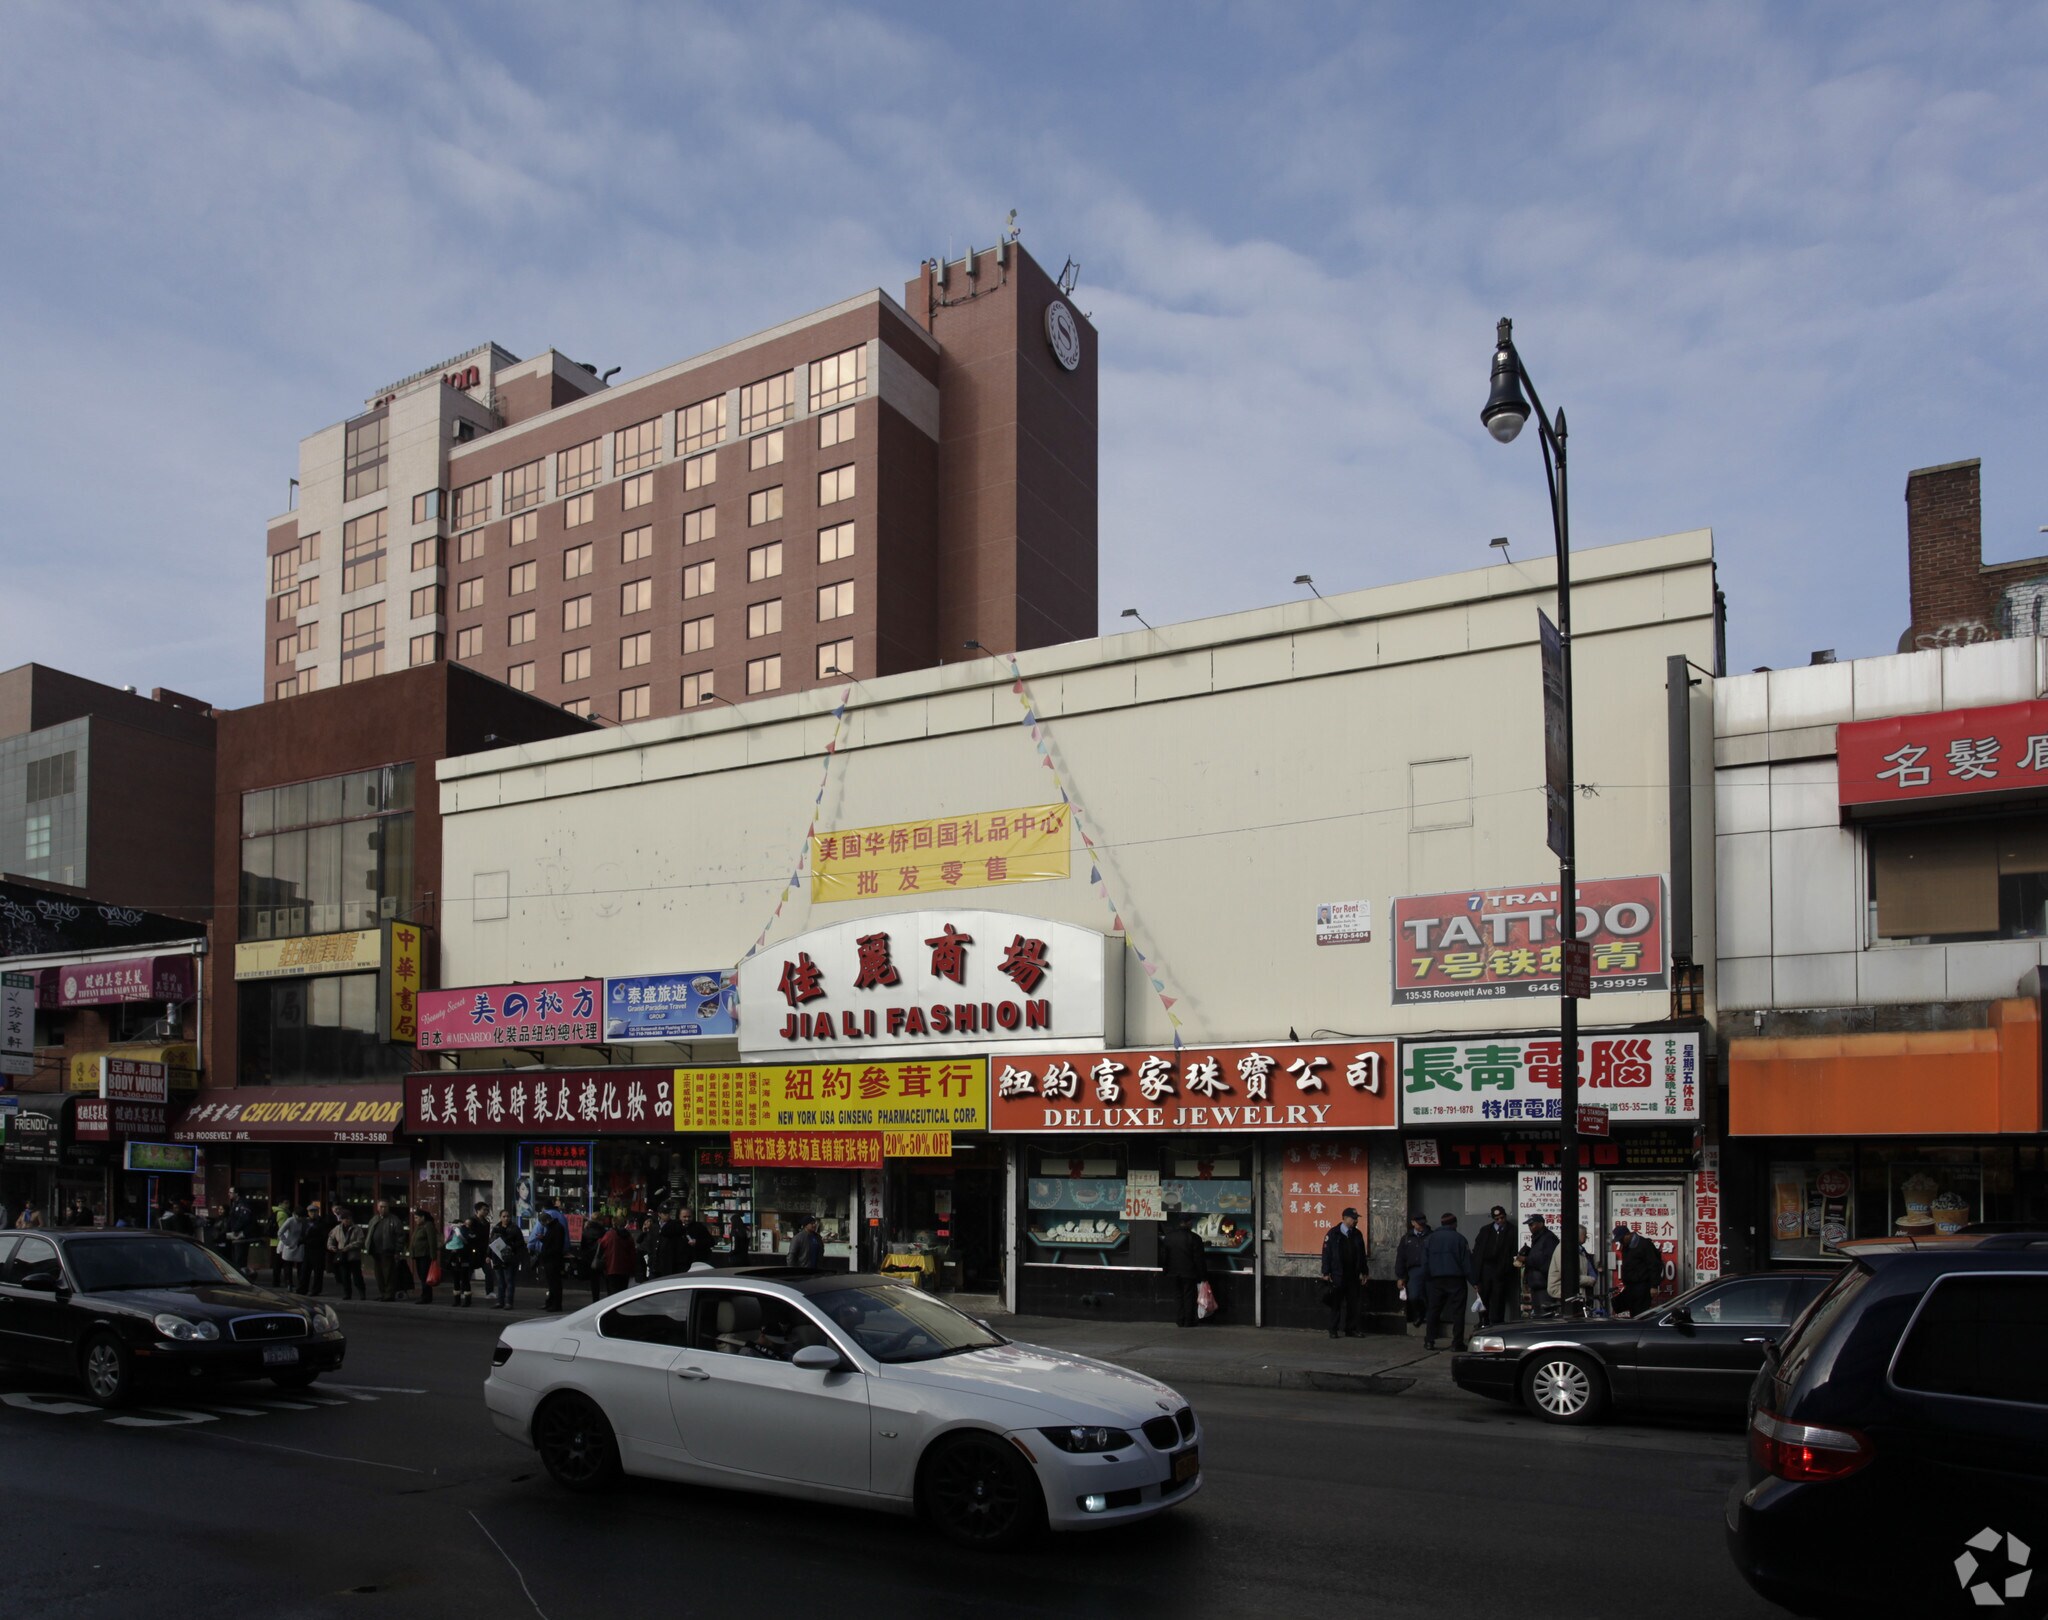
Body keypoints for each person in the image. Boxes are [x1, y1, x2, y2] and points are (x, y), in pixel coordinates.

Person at [1422, 1212, 1477, 1352]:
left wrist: (1428, 1277)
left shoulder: (1430, 1239)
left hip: (1436, 1280)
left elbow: (1424, 1261)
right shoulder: (1459, 1239)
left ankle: (1429, 1340)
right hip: (1456, 1280)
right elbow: (1466, 1263)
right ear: (1454, 1224)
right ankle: (1457, 1342)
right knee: (1458, 1312)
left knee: (1433, 1311)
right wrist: (1475, 1282)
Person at [1319, 1206, 1369, 1339]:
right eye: (1353, 1219)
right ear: (1345, 1219)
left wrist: (1364, 1271)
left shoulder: (1357, 1234)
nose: (1355, 1221)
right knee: (1336, 1303)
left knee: (1353, 1303)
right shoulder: (1333, 1234)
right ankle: (1333, 1329)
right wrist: (1326, 1272)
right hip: (1338, 1274)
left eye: (1356, 1219)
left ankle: (1350, 1329)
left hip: (1352, 1274)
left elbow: (1362, 1255)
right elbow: (1326, 1254)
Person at [1159, 1211, 1209, 1328]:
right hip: (1189, 1272)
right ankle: (1188, 1320)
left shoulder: (1169, 1237)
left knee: (1178, 1296)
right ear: (1189, 1222)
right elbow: (1198, 1259)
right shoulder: (1195, 1238)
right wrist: (1203, 1276)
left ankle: (1179, 1319)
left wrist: (1165, 1270)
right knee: (1189, 1296)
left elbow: (1164, 1256)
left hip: (1173, 1272)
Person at [1472, 1204, 1518, 1327]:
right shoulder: (1485, 1230)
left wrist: (1508, 1267)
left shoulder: (1512, 1230)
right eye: (1497, 1219)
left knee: (1498, 1297)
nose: (1500, 1221)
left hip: (1501, 1268)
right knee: (1484, 1296)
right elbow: (1477, 1250)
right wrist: (1476, 1274)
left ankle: (1497, 1322)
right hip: (1486, 1268)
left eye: (1502, 1218)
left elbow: (1513, 1250)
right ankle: (1483, 1320)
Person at [1613, 1223, 1662, 1317]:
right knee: (1620, 1306)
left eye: (1621, 1239)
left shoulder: (1644, 1244)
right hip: (1630, 1286)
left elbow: (1654, 1265)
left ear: (1628, 1235)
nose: (1620, 1242)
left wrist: (1654, 1286)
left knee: (1640, 1314)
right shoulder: (1626, 1246)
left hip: (1642, 1286)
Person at [1548, 1223, 1597, 1313]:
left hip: (1576, 1292)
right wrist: (1590, 1279)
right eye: (1585, 1235)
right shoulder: (1564, 1249)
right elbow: (1568, 1276)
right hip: (1564, 1293)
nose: (1586, 1238)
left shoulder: (1578, 1249)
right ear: (1578, 1235)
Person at [1519, 1214, 1561, 1317]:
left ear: (1541, 1224)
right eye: (1529, 1225)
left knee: (1545, 1315)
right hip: (1536, 1284)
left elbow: (1547, 1261)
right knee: (1538, 1315)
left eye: (1532, 1224)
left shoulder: (1549, 1238)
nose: (1530, 1227)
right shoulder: (1538, 1238)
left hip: (1544, 1284)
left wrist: (1527, 1259)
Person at [1395, 1213, 1431, 1331]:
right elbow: (1401, 1258)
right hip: (1414, 1270)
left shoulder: (1431, 1236)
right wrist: (1400, 1276)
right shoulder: (1406, 1238)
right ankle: (1420, 1313)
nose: (1421, 1226)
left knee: (1430, 1297)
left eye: (1423, 1224)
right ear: (1413, 1223)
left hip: (1430, 1270)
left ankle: (1430, 1320)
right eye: (1419, 1224)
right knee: (1414, 1296)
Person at [367, 1199, 406, 1301]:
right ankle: (383, 1293)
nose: (383, 1209)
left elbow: (400, 1236)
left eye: (385, 1207)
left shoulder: (394, 1220)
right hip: (375, 1251)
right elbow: (369, 1234)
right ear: (377, 1208)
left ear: (388, 1208)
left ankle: (389, 1295)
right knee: (378, 1274)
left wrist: (398, 1251)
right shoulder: (374, 1219)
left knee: (388, 1274)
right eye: (381, 1207)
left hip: (388, 1251)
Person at [328, 1207, 366, 1300]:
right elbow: (330, 1238)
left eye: (349, 1218)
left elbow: (360, 1241)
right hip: (342, 1256)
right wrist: (331, 1247)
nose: (347, 1220)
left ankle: (362, 1293)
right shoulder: (337, 1228)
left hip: (354, 1257)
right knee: (345, 1277)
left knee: (357, 1277)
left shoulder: (357, 1229)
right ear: (342, 1219)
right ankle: (347, 1294)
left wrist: (349, 1247)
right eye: (345, 1219)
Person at [536, 1199, 568, 1311]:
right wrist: (543, 1239)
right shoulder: (553, 1228)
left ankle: (556, 1305)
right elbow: (552, 1242)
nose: (543, 1226)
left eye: (543, 1223)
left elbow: (556, 1246)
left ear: (546, 1221)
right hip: (550, 1260)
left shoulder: (557, 1228)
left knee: (555, 1284)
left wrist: (546, 1251)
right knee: (551, 1284)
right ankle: (550, 1302)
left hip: (553, 1260)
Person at [300, 1201, 334, 1296]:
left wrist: (311, 1240)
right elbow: (303, 1234)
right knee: (305, 1270)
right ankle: (303, 1288)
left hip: (318, 1250)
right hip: (307, 1249)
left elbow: (323, 1236)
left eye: (314, 1211)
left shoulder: (322, 1222)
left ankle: (316, 1290)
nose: (313, 1213)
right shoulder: (305, 1222)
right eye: (311, 1212)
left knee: (318, 1272)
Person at [443, 1214, 478, 1307]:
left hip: (464, 1259)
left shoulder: (466, 1232)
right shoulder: (451, 1233)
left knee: (465, 1280)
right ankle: (457, 1300)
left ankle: (467, 1300)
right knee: (456, 1280)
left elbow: (470, 1242)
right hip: (455, 1259)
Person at [599, 1215, 638, 1297]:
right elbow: (633, 1254)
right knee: (622, 1293)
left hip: (611, 1268)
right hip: (625, 1269)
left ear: (614, 1223)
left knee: (612, 1293)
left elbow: (602, 1245)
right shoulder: (629, 1236)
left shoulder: (610, 1235)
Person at [490, 1208, 521, 1309]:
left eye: (508, 1216)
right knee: (500, 1281)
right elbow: (491, 1242)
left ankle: (509, 1302)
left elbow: (520, 1243)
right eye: (504, 1216)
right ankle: (500, 1301)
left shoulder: (514, 1228)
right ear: (500, 1217)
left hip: (510, 1258)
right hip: (497, 1258)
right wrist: (488, 1255)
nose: (506, 1218)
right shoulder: (496, 1228)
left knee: (509, 1280)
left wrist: (511, 1247)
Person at [408, 1208, 439, 1305]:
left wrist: (433, 1256)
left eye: (417, 1217)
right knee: (422, 1276)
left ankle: (426, 1297)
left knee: (425, 1277)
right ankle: (425, 1295)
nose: (415, 1220)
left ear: (423, 1217)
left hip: (425, 1255)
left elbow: (432, 1241)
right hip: (418, 1255)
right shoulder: (419, 1226)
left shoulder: (428, 1226)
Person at [580, 1213, 609, 1304]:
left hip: (590, 1258)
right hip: (601, 1257)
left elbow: (583, 1246)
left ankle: (595, 1300)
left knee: (594, 1281)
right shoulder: (603, 1231)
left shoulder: (586, 1230)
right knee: (607, 1279)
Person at [275, 1205, 308, 1287]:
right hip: (289, 1245)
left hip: (299, 1245)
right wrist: (287, 1242)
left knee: (300, 1265)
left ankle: (301, 1283)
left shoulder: (304, 1221)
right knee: (288, 1265)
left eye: (302, 1217)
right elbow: (280, 1232)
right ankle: (289, 1283)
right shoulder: (290, 1220)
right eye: (299, 1216)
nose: (300, 1218)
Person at [223, 1192, 256, 1272]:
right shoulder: (235, 1204)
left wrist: (235, 1228)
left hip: (240, 1235)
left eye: (231, 1192)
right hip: (235, 1235)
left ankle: (240, 1273)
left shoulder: (243, 1204)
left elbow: (244, 1219)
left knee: (240, 1257)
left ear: (236, 1193)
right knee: (236, 1256)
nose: (229, 1194)